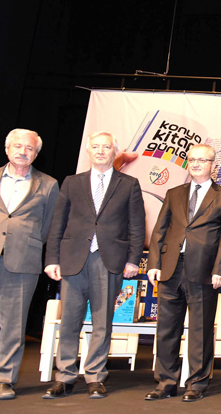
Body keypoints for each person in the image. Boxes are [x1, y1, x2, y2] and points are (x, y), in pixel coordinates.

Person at [43, 131, 145, 399]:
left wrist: (133, 259)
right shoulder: (72, 182)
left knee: (102, 322)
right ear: (88, 151)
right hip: (73, 259)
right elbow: (58, 223)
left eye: (106, 147)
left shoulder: (129, 184)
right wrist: (52, 259)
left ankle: (95, 376)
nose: (101, 151)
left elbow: (137, 225)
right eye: (96, 147)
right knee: (69, 321)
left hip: (109, 260)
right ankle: (65, 376)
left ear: (115, 152)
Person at [145, 144, 221, 402]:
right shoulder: (174, 193)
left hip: (204, 272)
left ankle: (196, 383)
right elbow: (159, 230)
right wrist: (154, 263)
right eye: (192, 159)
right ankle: (165, 382)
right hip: (170, 268)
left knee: (200, 330)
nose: (196, 164)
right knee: (166, 329)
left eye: (202, 160)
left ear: (213, 165)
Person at [0, 129, 59, 400]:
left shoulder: (49, 184)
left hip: (22, 261)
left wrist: (25, 241)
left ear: (36, 154)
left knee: (13, 326)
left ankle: (2, 379)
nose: (22, 151)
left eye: (29, 148)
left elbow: (49, 226)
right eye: (17, 146)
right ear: (7, 149)